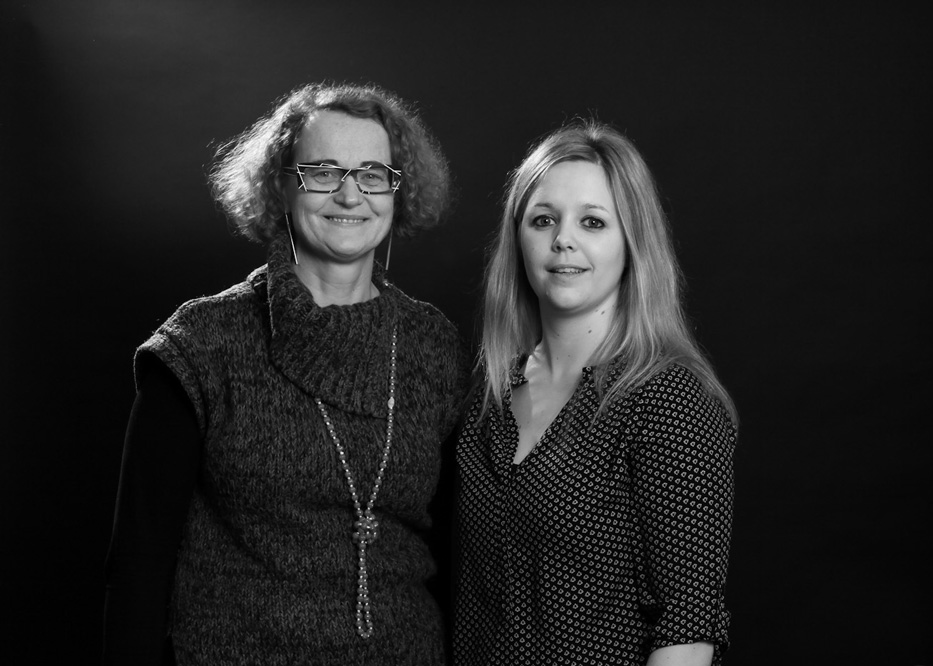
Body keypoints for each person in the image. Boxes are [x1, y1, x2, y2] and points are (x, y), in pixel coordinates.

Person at [103, 82, 469, 666]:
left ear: (398, 192)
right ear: (281, 186)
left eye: (372, 174)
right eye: (323, 172)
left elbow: (456, 553)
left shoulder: (434, 346)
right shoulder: (203, 344)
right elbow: (138, 566)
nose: (350, 194)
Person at [454, 120, 737, 666]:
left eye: (593, 221)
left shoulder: (668, 398)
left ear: (632, 243)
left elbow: (688, 628)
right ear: (518, 239)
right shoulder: (488, 397)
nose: (563, 239)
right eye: (543, 220)